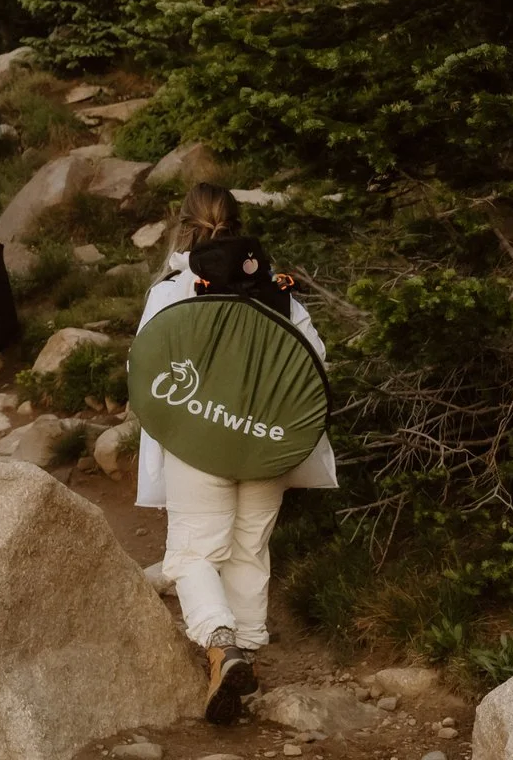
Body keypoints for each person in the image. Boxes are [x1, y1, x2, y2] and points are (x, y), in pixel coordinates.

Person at [136, 182, 337, 723]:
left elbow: (147, 368)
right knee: (249, 547)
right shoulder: (275, 288)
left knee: (194, 552)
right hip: (267, 442)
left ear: (185, 226)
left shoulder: (175, 289)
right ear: (240, 224)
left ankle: (221, 645)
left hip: (199, 439)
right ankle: (246, 654)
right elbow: (313, 364)